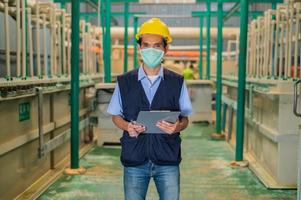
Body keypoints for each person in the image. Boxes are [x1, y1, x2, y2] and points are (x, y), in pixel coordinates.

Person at [107, 18, 193, 200]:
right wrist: (127, 127)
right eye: (146, 45)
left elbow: (185, 118)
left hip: (167, 159)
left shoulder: (177, 82)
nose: (151, 50)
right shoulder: (124, 82)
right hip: (135, 159)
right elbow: (116, 116)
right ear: (139, 48)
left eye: (156, 45)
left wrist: (176, 127)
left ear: (165, 49)